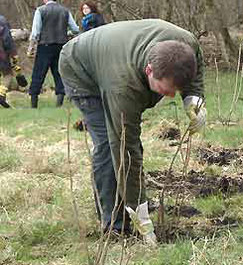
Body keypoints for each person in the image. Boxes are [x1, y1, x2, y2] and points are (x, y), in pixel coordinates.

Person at [59, 19, 206, 234]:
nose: (171, 96)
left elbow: (197, 66)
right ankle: (114, 225)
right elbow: (124, 147)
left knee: (125, 145)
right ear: (149, 70)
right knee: (110, 147)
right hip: (79, 68)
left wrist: (193, 98)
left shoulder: (186, 44)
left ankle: (127, 203)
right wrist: (140, 212)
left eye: (176, 91)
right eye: (165, 90)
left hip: (113, 53)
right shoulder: (123, 86)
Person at [27, 0, 80, 108]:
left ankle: (34, 102)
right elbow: (75, 29)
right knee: (59, 73)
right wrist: (65, 33)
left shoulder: (40, 10)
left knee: (38, 74)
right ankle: (59, 102)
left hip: (45, 45)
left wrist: (31, 46)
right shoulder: (65, 11)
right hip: (61, 45)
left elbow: (36, 32)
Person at [0, 14, 28, 108]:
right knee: (7, 75)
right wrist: (13, 54)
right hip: (1, 54)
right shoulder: (2, 20)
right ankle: (1, 95)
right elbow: (7, 40)